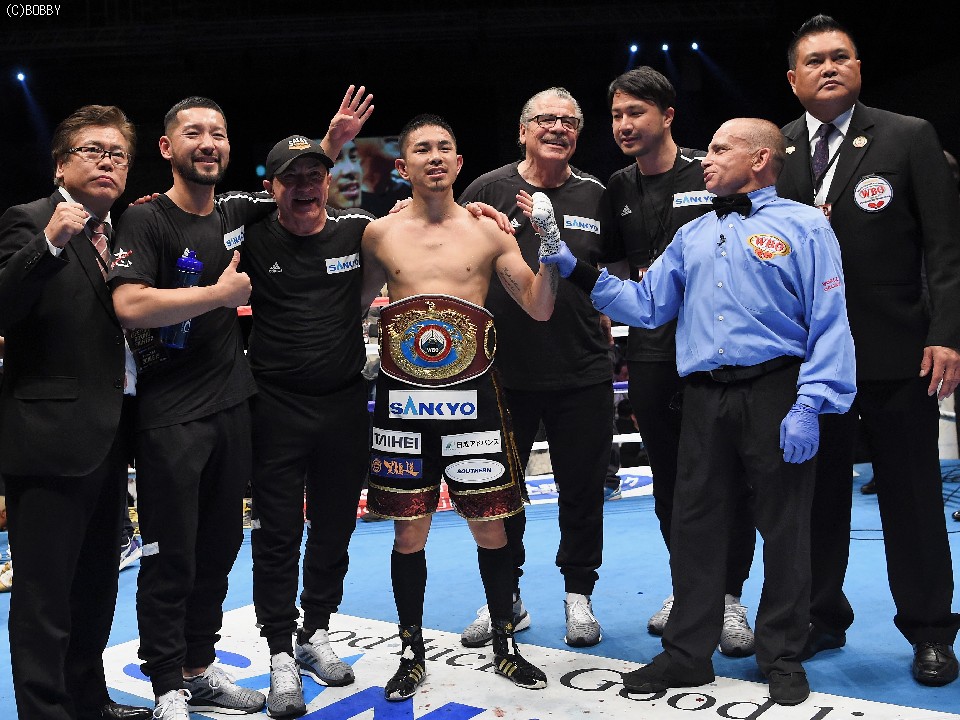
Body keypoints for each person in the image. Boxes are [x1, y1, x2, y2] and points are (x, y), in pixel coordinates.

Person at [543, 118, 856, 705]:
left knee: (786, 526)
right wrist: (572, 267)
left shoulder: (806, 224)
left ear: (760, 159)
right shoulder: (692, 234)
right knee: (695, 525)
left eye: (719, 148)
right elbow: (646, 305)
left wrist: (810, 403)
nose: (705, 159)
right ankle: (687, 654)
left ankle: (782, 654)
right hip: (704, 395)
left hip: (778, 389)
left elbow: (830, 320)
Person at [778, 14, 960, 686]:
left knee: (912, 498)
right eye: (815, 60)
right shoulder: (776, 149)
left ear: (858, 68)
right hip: (807, 361)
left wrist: (946, 333)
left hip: (898, 351)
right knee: (814, 499)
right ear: (792, 79)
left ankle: (931, 630)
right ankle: (820, 616)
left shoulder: (908, 136)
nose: (829, 68)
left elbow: (945, 249)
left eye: (841, 57)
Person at [360, 113, 560, 701]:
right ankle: (411, 653)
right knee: (408, 533)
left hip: (473, 396)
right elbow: (346, 307)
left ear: (459, 162)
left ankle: (505, 645)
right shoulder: (378, 234)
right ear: (403, 166)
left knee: (491, 527)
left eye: (445, 147)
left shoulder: (489, 233)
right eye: (422, 149)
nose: (435, 157)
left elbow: (539, 306)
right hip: (403, 399)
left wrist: (550, 247)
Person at [110, 97, 271, 719]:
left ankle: (198, 669)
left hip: (231, 405)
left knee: (220, 548)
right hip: (169, 415)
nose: (208, 143)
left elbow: (300, 183)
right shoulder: (144, 218)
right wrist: (219, 294)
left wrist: (336, 142)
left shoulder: (233, 210)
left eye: (219, 134)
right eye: (194, 133)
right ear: (167, 147)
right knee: (169, 555)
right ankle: (165, 688)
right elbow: (129, 305)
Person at [597, 66, 757, 655]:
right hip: (652, 351)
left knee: (728, 476)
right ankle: (690, 587)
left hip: (720, 351)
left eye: (635, 112)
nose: (624, 124)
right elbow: (618, 270)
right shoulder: (617, 187)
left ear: (667, 116)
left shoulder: (710, 171)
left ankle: (730, 597)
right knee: (670, 479)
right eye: (616, 114)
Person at [0, 105, 150, 720]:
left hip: (113, 435)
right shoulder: (29, 219)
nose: (107, 161)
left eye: (118, 154)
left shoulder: (128, 231)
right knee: (44, 594)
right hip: (48, 438)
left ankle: (88, 701)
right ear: (61, 164)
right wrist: (49, 243)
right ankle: (45, 712)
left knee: (96, 584)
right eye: (93, 150)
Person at [457, 87, 610, 649]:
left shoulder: (597, 193)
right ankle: (507, 597)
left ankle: (578, 594)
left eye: (569, 121)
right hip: (501, 371)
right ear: (523, 130)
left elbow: (617, 271)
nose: (558, 128)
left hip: (582, 367)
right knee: (502, 492)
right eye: (545, 118)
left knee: (583, 491)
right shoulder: (487, 189)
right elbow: (447, 241)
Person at [242, 128, 379, 716]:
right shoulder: (250, 230)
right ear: (271, 187)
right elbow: (189, 211)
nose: (304, 186)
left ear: (328, 182)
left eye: (313, 176)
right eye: (290, 177)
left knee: (334, 527)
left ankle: (315, 630)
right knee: (277, 533)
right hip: (274, 407)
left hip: (343, 405)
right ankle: (278, 649)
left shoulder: (358, 229)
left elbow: (423, 228)